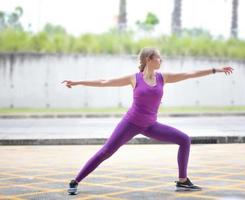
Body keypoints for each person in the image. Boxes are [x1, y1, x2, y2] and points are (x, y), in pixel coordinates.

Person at [62, 47, 234, 195]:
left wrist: (215, 70)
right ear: (148, 59)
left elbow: (189, 74)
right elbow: (104, 82)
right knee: (106, 151)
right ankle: (75, 181)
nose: (161, 59)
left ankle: (182, 180)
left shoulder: (162, 77)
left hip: (151, 125)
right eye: (158, 57)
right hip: (130, 123)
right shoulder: (134, 78)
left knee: (184, 139)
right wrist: (78, 82)